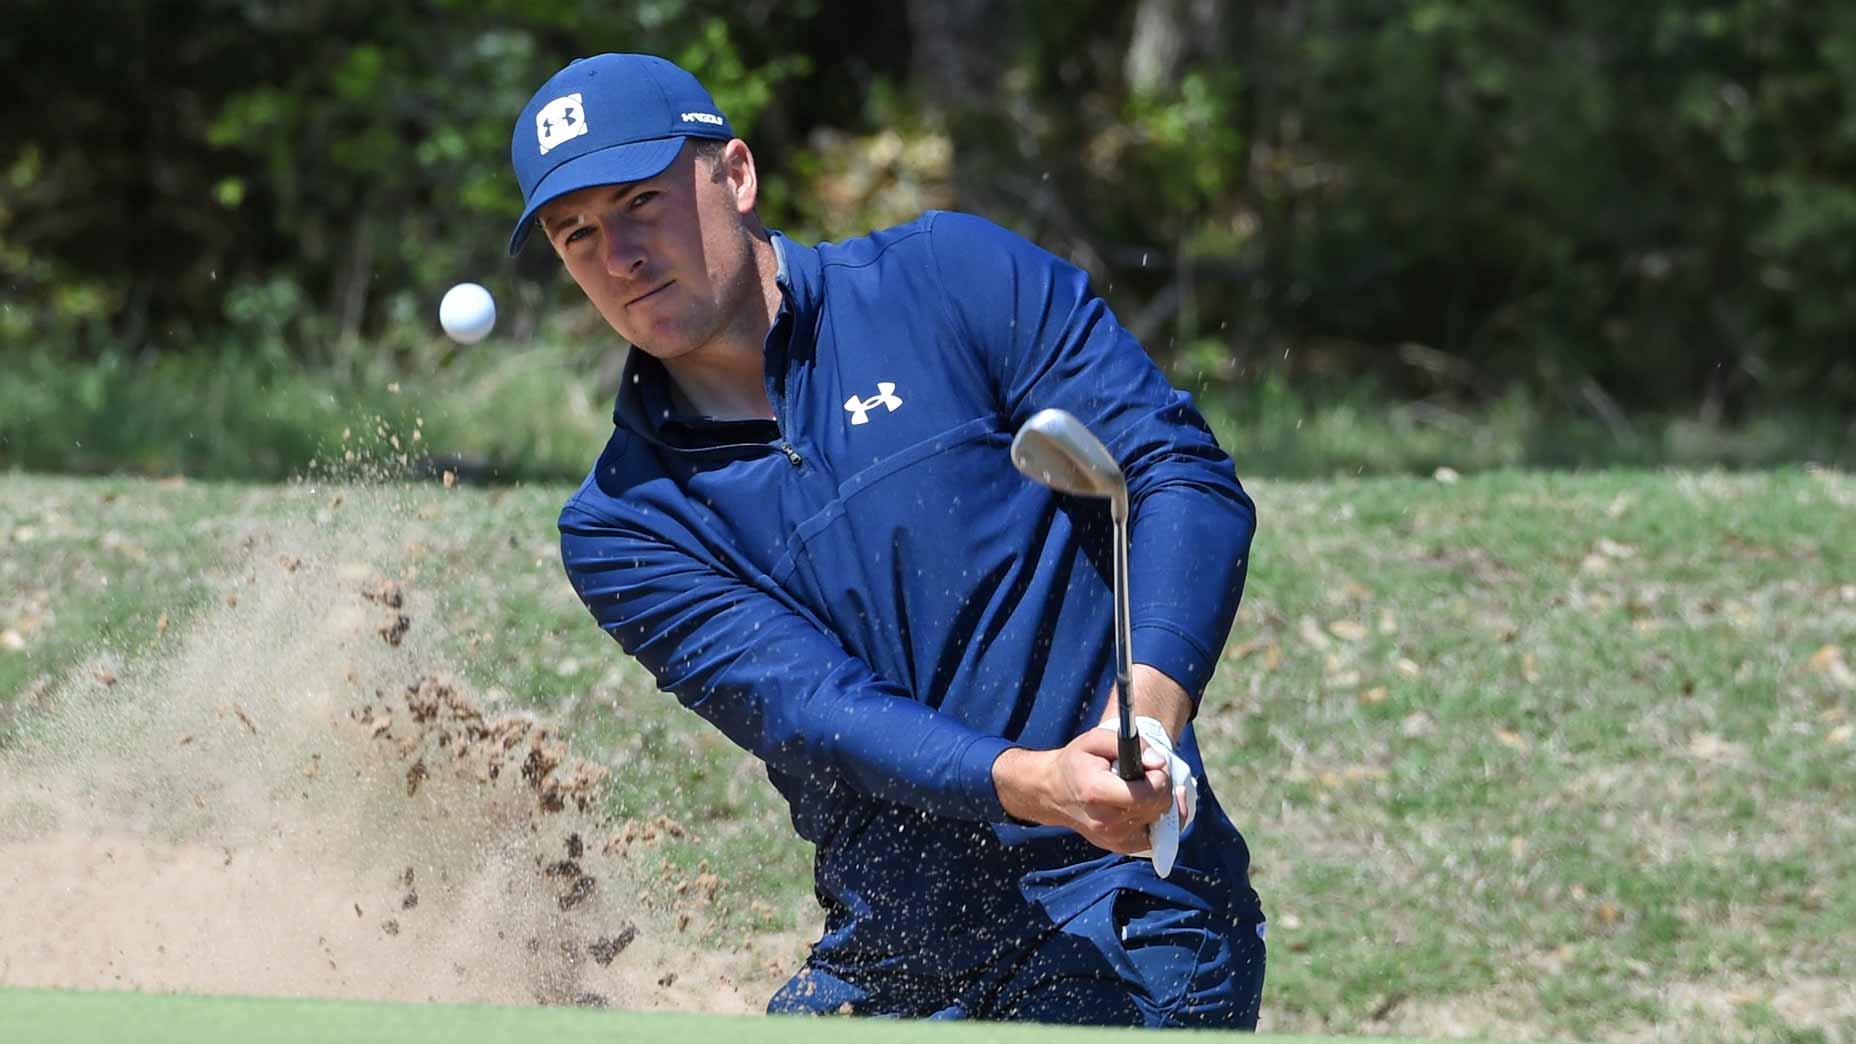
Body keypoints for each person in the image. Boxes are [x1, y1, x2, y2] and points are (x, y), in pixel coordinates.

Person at [508, 53, 1265, 1027]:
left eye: (640, 202)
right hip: (894, 956)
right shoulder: (623, 521)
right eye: (579, 235)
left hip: (1124, 911)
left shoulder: (950, 279)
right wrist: (1033, 784)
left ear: (734, 175)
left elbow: (1180, 476)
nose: (618, 255)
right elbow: (814, 710)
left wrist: (1144, 726)